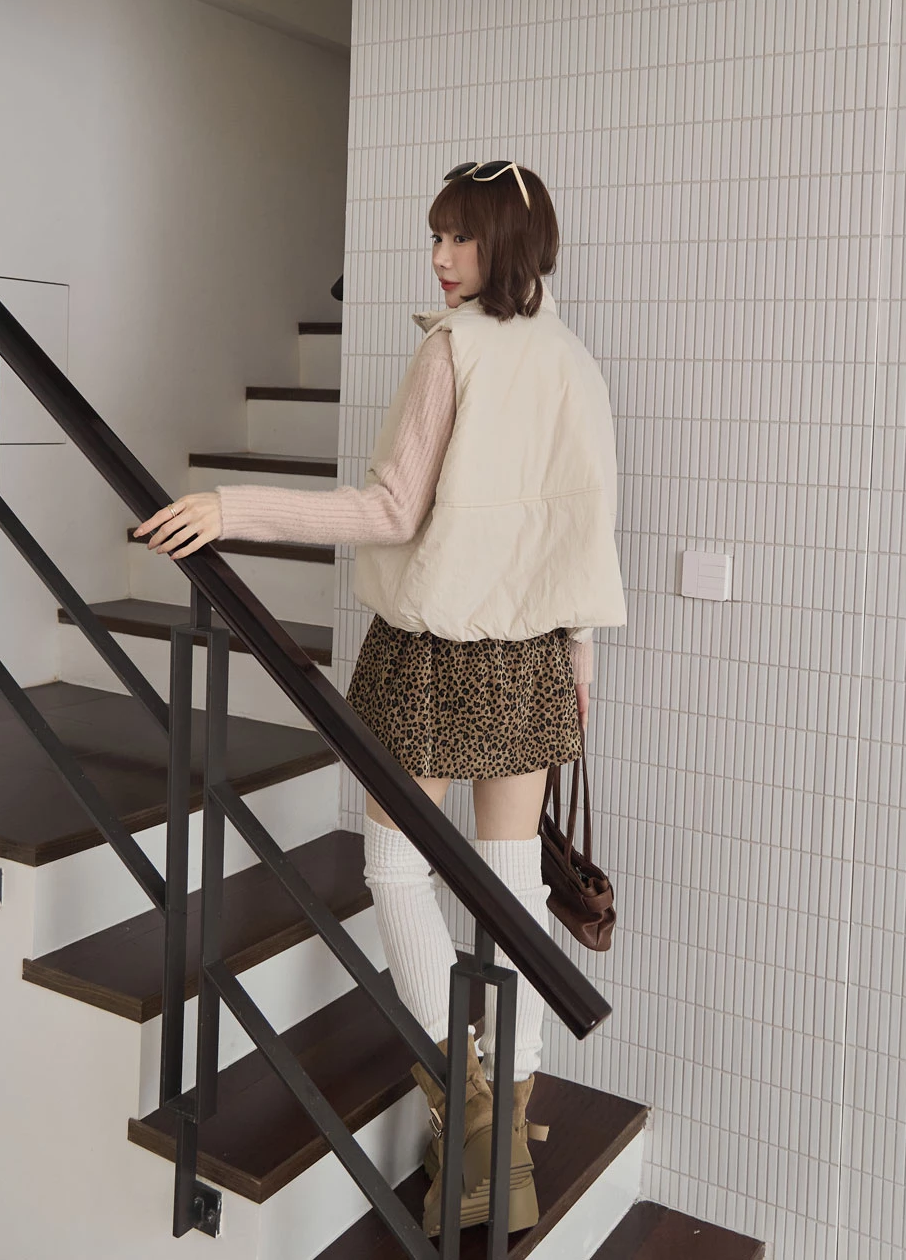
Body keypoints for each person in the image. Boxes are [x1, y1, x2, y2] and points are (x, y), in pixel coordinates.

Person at [134, 159, 626, 1236]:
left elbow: (390, 509)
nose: (439, 258)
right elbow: (583, 522)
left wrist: (231, 507)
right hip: (535, 657)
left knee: (398, 865)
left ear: (506, 242)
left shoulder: (454, 349)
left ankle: (469, 1093)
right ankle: (513, 1110)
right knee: (511, 886)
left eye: (460, 236)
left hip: (436, 654)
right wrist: (581, 660)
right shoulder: (572, 359)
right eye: (435, 236)